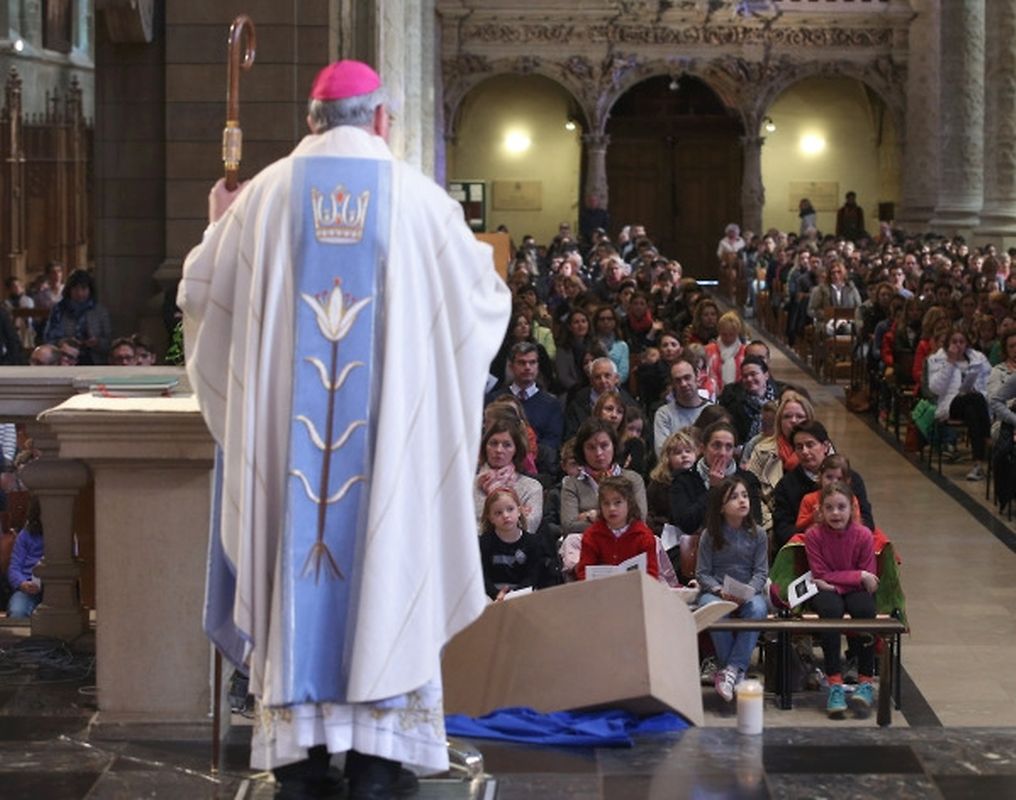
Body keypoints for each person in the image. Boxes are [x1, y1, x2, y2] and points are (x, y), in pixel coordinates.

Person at [177, 60, 511, 798]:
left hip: (293, 494)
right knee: (388, 561)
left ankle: (300, 757)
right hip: (382, 468)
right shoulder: (421, 202)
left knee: (297, 556)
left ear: (311, 118)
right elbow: (486, 303)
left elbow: (201, 294)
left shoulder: (260, 199)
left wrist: (218, 218)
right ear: (383, 120)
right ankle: (378, 758)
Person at [804, 481, 879, 718]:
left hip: (848, 588)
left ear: (852, 509)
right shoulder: (813, 536)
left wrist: (846, 579)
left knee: (865, 609)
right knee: (830, 612)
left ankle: (866, 680)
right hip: (829, 591)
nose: (835, 513)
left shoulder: (864, 535)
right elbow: (820, 574)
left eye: (841, 507)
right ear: (821, 511)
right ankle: (834, 682)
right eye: (829, 508)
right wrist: (857, 576)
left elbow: (870, 578)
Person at [695, 476, 769, 702]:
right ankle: (735, 670)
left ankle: (730, 669)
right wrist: (718, 590)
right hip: (716, 590)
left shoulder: (759, 534)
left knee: (758, 609)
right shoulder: (710, 535)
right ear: (721, 507)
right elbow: (702, 573)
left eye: (744, 496)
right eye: (734, 497)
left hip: (748, 590)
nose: (742, 501)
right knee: (715, 608)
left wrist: (748, 590)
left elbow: (761, 572)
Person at [772, 421, 875, 550]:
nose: (805, 451)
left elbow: (867, 522)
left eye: (810, 445)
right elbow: (782, 530)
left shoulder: (851, 478)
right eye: (799, 447)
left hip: (849, 545)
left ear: (825, 446)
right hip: (807, 548)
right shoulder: (786, 484)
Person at [669, 421, 763, 538]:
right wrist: (714, 489)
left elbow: (755, 522)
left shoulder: (747, 479)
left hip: (739, 546)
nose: (722, 453)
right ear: (703, 449)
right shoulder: (684, 479)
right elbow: (687, 524)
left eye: (728, 447)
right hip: (696, 546)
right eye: (717, 446)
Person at [560, 418, 647, 536]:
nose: (598, 453)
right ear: (582, 451)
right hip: (585, 543)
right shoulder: (572, 483)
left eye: (604, 445)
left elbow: (639, 520)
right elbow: (569, 526)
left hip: (626, 541)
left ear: (614, 446)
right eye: (591, 447)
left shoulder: (632, 479)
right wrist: (617, 519)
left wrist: (592, 516)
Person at [743, 391, 815, 532]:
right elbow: (751, 491)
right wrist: (771, 525)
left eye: (799, 416)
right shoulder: (762, 450)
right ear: (779, 422)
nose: (793, 421)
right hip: (772, 523)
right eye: (787, 417)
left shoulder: (823, 450)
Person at [926, 326, 992, 481]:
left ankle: (977, 465)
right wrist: (950, 362)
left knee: (972, 409)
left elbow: (990, 383)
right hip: (950, 405)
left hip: (974, 405)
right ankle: (988, 438)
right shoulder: (936, 359)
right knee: (972, 401)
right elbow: (935, 388)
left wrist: (978, 391)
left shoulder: (979, 358)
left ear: (967, 343)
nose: (958, 345)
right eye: (954, 341)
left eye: (961, 341)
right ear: (948, 343)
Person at [575, 476, 659, 580]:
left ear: (629, 503)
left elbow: (651, 572)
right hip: (601, 592)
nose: (611, 508)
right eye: (606, 503)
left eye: (618, 502)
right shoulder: (592, 535)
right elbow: (583, 572)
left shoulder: (643, 535)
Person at [474, 418, 544, 534]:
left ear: (516, 450)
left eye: (507, 445)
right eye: (493, 443)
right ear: (485, 447)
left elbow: (528, 527)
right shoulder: (468, 484)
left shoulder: (532, 487)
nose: (499, 450)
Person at [478, 487, 541, 601]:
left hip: (522, 595)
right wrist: (496, 594)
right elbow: (482, 576)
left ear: (519, 511)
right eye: (498, 513)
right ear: (490, 518)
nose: (505, 515)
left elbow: (532, 576)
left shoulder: (532, 542)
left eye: (510, 509)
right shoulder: (484, 542)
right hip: (492, 596)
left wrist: (513, 595)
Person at [42, 269, 111, 365]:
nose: (80, 293)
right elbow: (48, 338)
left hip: (94, 360)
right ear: (69, 290)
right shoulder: (59, 310)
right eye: (75, 289)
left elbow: (109, 342)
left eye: (83, 289)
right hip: (64, 359)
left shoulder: (99, 311)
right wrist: (62, 342)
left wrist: (97, 342)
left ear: (90, 290)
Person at [646, 428, 700, 535]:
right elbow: (651, 514)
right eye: (677, 453)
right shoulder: (658, 483)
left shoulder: (701, 480)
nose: (684, 455)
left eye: (688, 451)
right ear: (668, 458)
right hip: (665, 535)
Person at [653, 358, 710, 456]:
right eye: (677, 380)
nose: (683, 384)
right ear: (672, 384)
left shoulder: (712, 411)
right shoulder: (664, 414)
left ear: (697, 376)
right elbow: (662, 453)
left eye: (687, 377)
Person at [6, 498, 43, 619]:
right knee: (17, 612)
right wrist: (22, 583)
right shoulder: (25, 535)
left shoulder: (65, 535)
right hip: (28, 587)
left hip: (58, 588)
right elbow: (14, 568)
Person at [704, 310, 746, 393]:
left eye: (732, 334)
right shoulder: (708, 350)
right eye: (724, 334)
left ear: (738, 332)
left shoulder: (745, 352)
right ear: (719, 332)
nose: (728, 338)